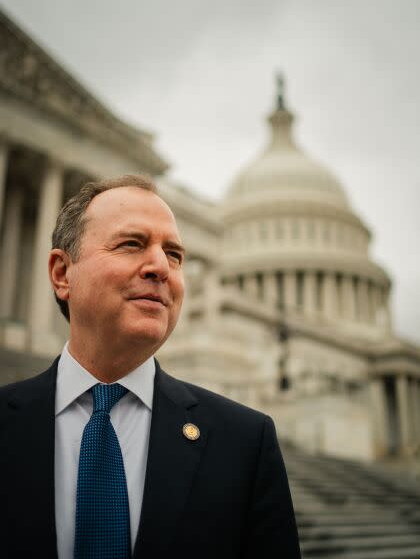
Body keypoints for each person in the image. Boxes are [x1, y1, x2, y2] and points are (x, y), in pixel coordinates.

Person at [0, 175, 301, 559]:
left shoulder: (246, 443)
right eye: (132, 244)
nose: (161, 267)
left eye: (174, 254)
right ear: (62, 273)